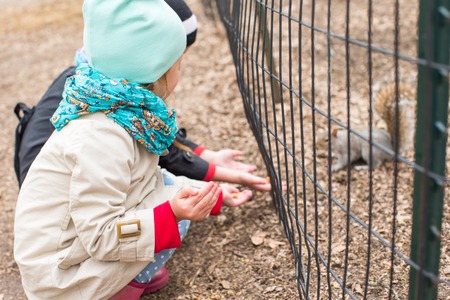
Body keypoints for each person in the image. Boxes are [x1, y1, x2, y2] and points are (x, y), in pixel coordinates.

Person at [14, 1, 252, 299]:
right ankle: (116, 291)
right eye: (179, 62)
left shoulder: (121, 111)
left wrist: (209, 194)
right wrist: (173, 213)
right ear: (156, 69)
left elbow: (148, 181)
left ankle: (125, 281)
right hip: (59, 275)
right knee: (171, 221)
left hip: (72, 246)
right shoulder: (103, 138)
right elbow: (101, 236)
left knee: (169, 199)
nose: (181, 69)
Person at [13, 0, 271, 193]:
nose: (178, 71)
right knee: (159, 187)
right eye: (177, 62)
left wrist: (206, 155)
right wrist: (215, 180)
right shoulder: (115, 109)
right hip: (65, 198)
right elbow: (161, 152)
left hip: (52, 188)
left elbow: (157, 132)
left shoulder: (99, 83)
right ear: (148, 60)